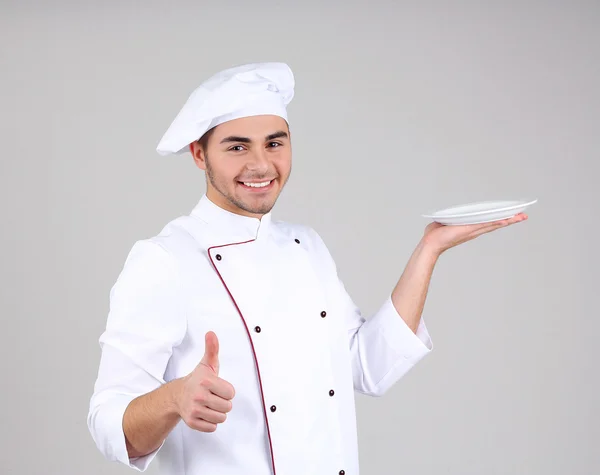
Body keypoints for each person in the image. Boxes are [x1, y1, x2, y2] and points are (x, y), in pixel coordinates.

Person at [87, 62, 527, 475]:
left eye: (274, 143)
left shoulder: (307, 246)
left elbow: (367, 367)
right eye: (237, 146)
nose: (261, 165)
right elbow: (108, 423)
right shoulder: (165, 259)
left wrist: (428, 250)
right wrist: (173, 398)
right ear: (199, 155)